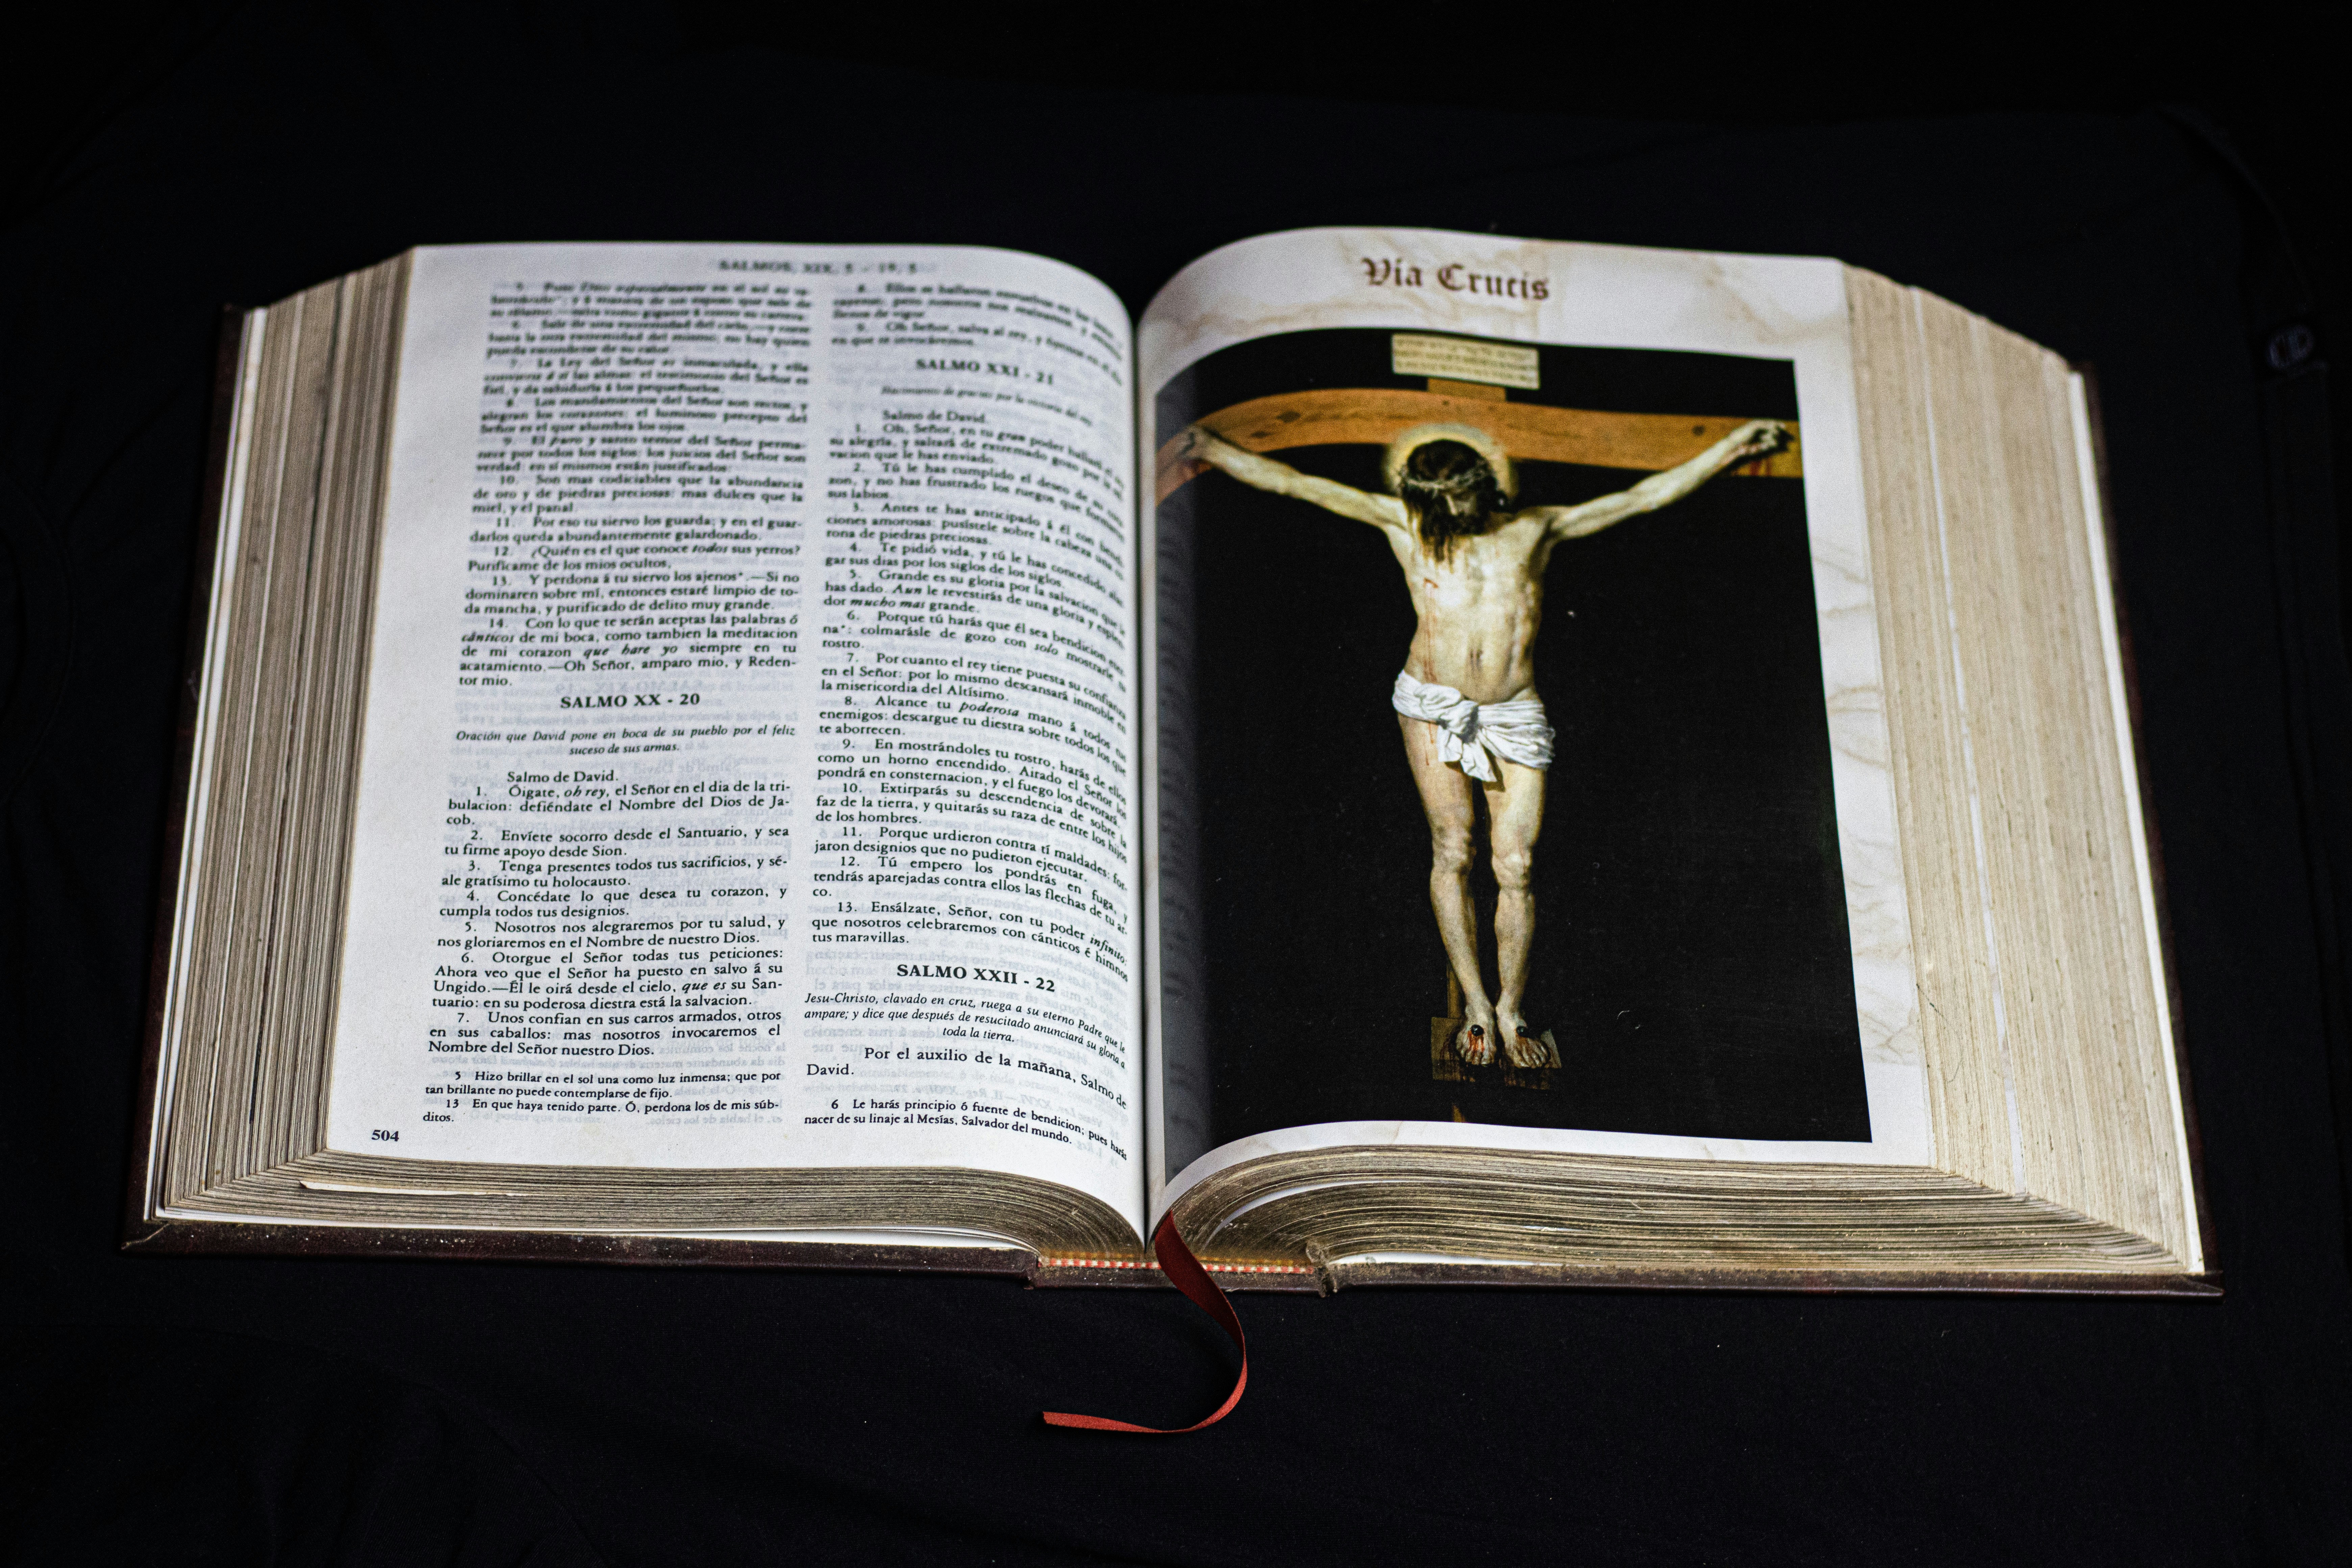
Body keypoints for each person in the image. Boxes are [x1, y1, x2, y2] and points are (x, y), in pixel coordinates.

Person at [1178, 415, 1791, 1065]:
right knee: (1453, 848)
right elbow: (1293, 484)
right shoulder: (1405, 525)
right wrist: (1214, 447)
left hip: (1512, 712)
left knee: (1516, 865)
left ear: (1484, 488)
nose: (1453, 514)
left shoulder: (1534, 529)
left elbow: (1642, 497)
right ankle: (1476, 1003)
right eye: (1441, 507)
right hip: (1432, 704)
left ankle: (1511, 1009)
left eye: (1461, 502)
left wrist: (1732, 447)